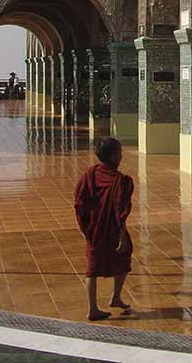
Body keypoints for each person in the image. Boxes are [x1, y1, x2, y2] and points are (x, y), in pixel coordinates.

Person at [74, 137, 134, 321]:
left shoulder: (90, 175)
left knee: (93, 267)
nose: (122, 157)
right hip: (112, 229)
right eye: (120, 153)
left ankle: (113, 299)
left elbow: (79, 201)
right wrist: (122, 237)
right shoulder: (121, 181)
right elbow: (120, 210)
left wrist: (85, 227)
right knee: (122, 255)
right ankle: (94, 308)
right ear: (114, 156)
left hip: (94, 229)